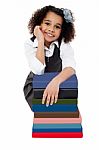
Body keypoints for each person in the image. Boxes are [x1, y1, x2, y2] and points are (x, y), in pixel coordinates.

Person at [23, 5, 76, 109]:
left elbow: (71, 68)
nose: (51, 29)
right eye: (47, 23)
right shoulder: (30, 43)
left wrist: (55, 82)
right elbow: (38, 70)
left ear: (62, 30)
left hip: (58, 83)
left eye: (57, 26)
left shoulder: (63, 44)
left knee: (66, 114)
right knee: (46, 114)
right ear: (39, 24)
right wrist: (40, 41)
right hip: (36, 85)